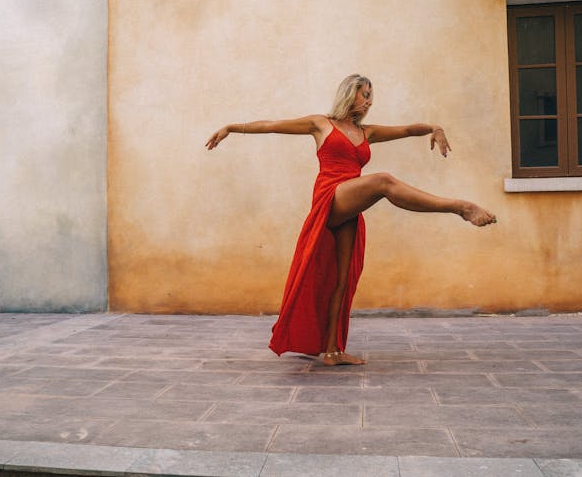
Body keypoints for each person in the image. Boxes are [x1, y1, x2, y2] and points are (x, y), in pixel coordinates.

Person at [206, 74, 496, 366]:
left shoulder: (366, 132)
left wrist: (435, 127)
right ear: (349, 94)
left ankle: (332, 351)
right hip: (330, 198)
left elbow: (408, 129)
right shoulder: (321, 124)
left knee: (342, 281)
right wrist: (231, 127)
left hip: (349, 208)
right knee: (383, 181)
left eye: (371, 95)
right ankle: (459, 207)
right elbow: (270, 126)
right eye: (364, 94)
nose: (369, 101)